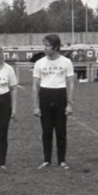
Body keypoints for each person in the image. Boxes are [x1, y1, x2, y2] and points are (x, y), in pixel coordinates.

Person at [32, 34, 75, 169]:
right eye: (44, 45)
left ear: (56, 47)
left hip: (60, 95)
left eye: (47, 45)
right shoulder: (39, 63)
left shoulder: (66, 62)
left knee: (61, 130)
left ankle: (61, 160)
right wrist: (35, 106)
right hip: (45, 95)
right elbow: (35, 85)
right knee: (46, 130)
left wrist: (69, 103)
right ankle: (47, 160)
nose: (44, 48)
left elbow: (70, 83)